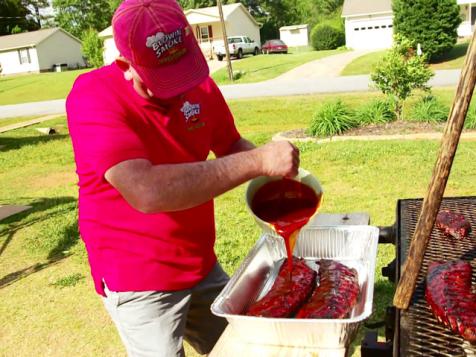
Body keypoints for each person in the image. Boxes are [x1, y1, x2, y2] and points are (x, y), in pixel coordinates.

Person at [66, 0, 299, 356]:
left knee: (242, 349)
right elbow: (147, 191)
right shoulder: (93, 97)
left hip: (200, 264)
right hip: (137, 278)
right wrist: (260, 160)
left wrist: (277, 185)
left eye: (182, 69)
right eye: (163, 77)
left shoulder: (198, 85)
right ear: (125, 65)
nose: (178, 89)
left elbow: (231, 144)